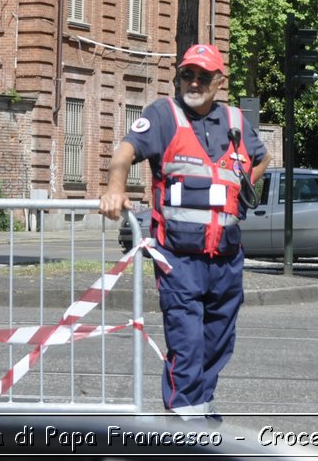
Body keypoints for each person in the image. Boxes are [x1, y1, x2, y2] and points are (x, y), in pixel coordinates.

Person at [97, 42, 267, 419]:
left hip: (225, 257)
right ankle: (182, 421)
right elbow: (125, 152)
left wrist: (243, 190)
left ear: (219, 81)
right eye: (186, 74)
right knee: (187, 342)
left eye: (202, 76)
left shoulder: (237, 122)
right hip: (178, 257)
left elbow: (262, 156)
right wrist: (114, 187)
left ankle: (200, 412)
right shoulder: (164, 115)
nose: (193, 82)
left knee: (218, 342)